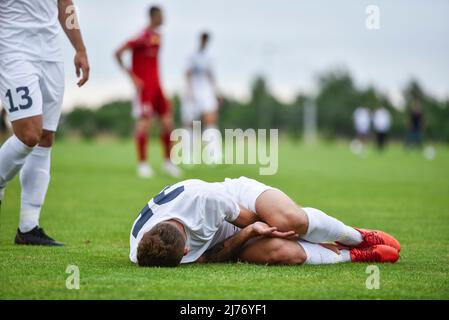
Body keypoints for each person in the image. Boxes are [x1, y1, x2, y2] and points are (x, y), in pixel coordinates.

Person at [130, 177, 400, 267]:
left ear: (186, 249)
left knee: (288, 222)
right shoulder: (144, 251)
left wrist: (271, 231)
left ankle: (355, 236)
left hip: (236, 200)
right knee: (284, 253)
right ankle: (352, 256)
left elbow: (258, 222)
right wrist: (247, 235)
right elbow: (211, 257)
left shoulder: (205, 200)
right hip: (223, 232)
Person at [0, 0, 90, 246]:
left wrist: (79, 48)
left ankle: (28, 228)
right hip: (13, 49)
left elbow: (66, 5)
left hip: (50, 52)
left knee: (45, 137)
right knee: (29, 134)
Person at [115, 6, 181, 178]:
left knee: (168, 123)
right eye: (161, 15)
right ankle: (142, 164)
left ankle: (168, 162)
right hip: (145, 88)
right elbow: (118, 52)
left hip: (158, 86)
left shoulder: (157, 36)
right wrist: (132, 77)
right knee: (144, 124)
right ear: (153, 16)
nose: (164, 18)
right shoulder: (141, 37)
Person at [182, 32, 222, 164]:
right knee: (191, 124)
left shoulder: (210, 57)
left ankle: (214, 154)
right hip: (193, 92)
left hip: (206, 92)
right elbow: (187, 74)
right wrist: (190, 92)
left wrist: (216, 93)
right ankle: (188, 156)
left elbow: (212, 75)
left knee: (210, 121)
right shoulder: (191, 56)